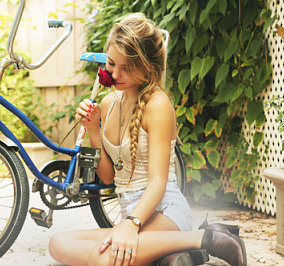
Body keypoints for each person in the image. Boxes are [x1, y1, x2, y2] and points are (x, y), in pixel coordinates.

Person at [49, 13, 246, 266]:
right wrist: (93, 131)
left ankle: (206, 239)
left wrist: (131, 224)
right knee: (58, 243)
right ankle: (174, 254)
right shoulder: (108, 103)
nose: (115, 74)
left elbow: (158, 182)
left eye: (126, 68)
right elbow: (109, 178)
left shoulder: (158, 105)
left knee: (106, 260)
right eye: (111, 64)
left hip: (164, 213)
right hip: (133, 220)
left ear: (148, 68)